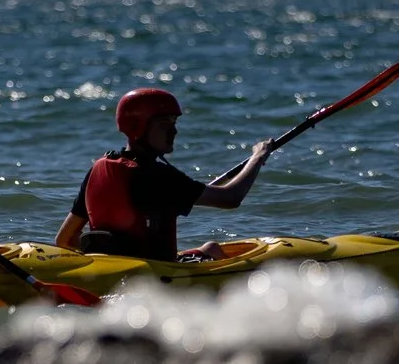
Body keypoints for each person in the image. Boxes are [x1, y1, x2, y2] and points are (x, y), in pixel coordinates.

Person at [56, 88, 274, 259]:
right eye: (163, 124)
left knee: (210, 248)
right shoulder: (159, 176)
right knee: (213, 250)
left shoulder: (99, 169)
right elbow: (230, 198)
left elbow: (64, 240)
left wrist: (106, 259)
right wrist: (258, 157)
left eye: (174, 122)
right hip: (156, 274)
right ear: (137, 126)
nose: (174, 131)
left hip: (110, 268)